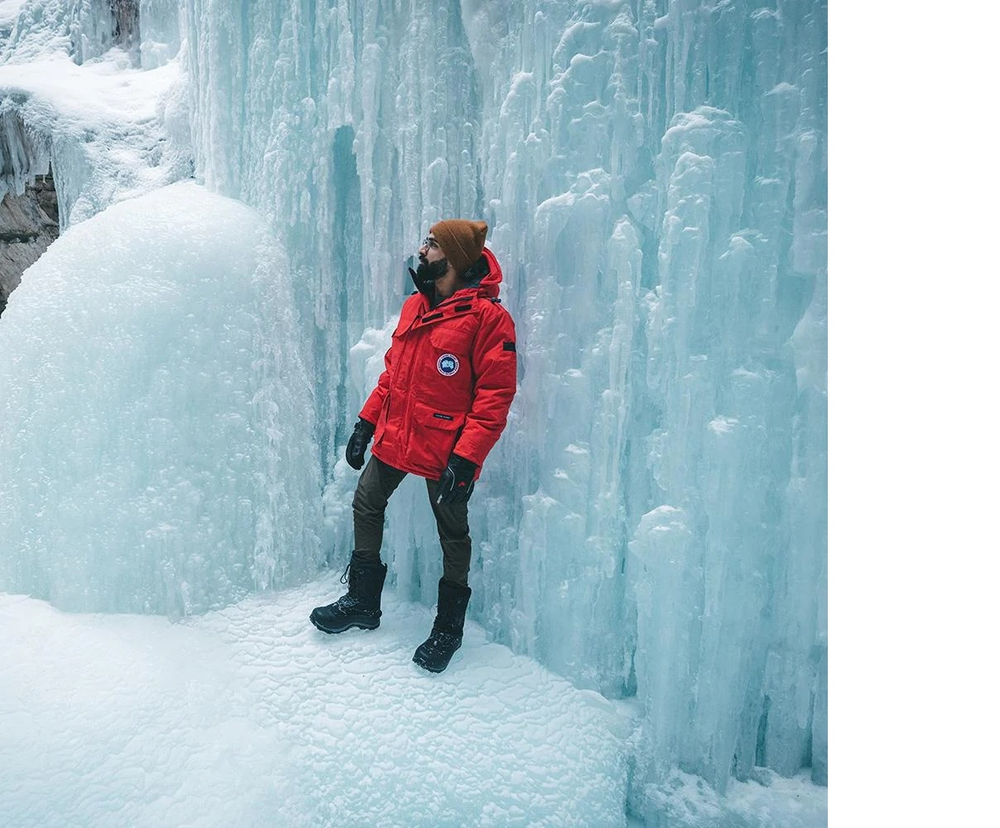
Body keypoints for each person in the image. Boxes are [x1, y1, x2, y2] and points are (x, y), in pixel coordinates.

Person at [310, 219, 517, 673]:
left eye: (432, 244)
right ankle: (363, 602)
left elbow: (494, 397)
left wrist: (467, 459)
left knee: (452, 534)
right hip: (398, 434)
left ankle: (448, 628)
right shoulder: (415, 308)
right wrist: (366, 422)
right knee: (366, 502)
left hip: (446, 447)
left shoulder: (487, 319)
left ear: (455, 258)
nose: (422, 250)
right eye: (427, 242)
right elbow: (392, 375)